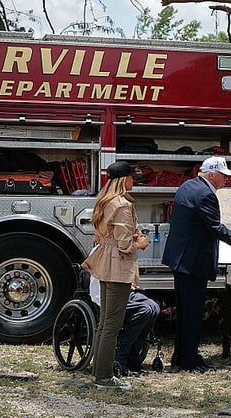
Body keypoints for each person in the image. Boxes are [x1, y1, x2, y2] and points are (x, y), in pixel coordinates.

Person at [162, 156, 231, 373]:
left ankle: (181, 355)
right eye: (223, 176)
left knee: (185, 311)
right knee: (192, 313)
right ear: (211, 174)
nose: (225, 180)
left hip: (180, 259)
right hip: (193, 261)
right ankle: (190, 360)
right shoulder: (206, 195)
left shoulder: (187, 186)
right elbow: (215, 228)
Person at [82, 161, 149, 390]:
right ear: (124, 179)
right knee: (113, 323)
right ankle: (104, 377)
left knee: (104, 323)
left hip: (104, 262)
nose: (134, 180)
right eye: (131, 176)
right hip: (118, 266)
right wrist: (140, 243)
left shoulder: (104, 200)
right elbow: (124, 243)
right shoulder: (121, 204)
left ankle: (99, 372)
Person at [88, 275, 160, 376]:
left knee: (154, 307)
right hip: (109, 294)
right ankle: (122, 358)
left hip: (126, 291)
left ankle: (134, 359)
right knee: (144, 311)